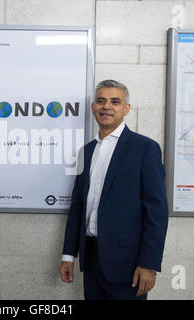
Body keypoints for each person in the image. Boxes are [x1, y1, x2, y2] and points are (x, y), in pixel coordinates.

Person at [59, 80, 168, 300]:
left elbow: (156, 213)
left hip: (129, 267)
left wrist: (149, 264)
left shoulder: (145, 149)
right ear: (93, 108)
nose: (106, 106)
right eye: (101, 101)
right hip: (91, 262)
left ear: (126, 108)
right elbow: (77, 208)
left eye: (115, 102)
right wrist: (68, 255)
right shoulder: (86, 152)